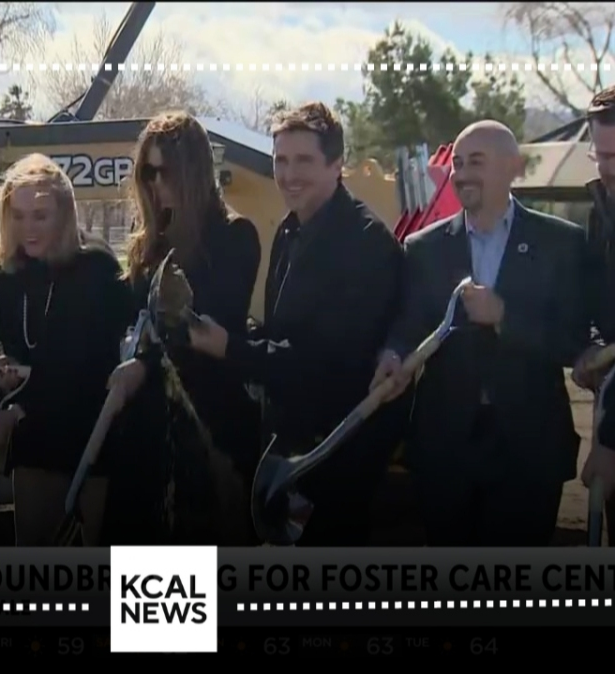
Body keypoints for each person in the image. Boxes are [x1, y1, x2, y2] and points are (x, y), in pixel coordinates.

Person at [187, 101, 407, 546]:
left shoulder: (364, 243)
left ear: (337, 163)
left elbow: (321, 362)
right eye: (280, 161)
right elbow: (282, 334)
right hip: (291, 449)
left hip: (338, 454)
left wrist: (228, 346)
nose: (289, 175)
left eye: (303, 160)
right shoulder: (291, 229)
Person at [371, 120, 587, 547]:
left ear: (513, 167)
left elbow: (573, 341)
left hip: (529, 450)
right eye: (458, 163)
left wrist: (505, 315)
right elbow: (408, 324)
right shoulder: (423, 247)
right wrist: (393, 355)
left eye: (477, 162)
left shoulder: (561, 243)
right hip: (445, 448)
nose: (462, 173)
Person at [103, 110, 263, 546]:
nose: (155, 183)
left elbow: (208, 325)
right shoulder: (150, 241)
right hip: (148, 426)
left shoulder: (234, 235)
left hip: (206, 426)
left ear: (192, 170)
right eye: (147, 172)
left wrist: (146, 359)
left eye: (165, 171)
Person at [0, 153, 129, 546]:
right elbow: (13, 342)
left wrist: (24, 396)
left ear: (64, 214)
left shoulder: (96, 266)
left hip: (93, 431)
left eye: (40, 216)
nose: (28, 228)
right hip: (35, 437)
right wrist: (6, 368)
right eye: (18, 215)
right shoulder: (9, 272)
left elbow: (94, 356)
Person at [572, 85, 615, 541]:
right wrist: (589, 345)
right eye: (600, 155)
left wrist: (609, 441)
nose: (606, 169)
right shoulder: (602, 212)